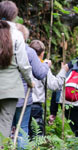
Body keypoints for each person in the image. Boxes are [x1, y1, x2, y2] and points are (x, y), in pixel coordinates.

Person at [12, 24, 50, 148]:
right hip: (23, 97)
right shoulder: (29, 51)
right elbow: (40, 73)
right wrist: (46, 65)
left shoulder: (4, 48)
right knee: (22, 129)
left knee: (5, 129)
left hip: (5, 95)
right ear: (25, 37)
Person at [0, 0, 33, 142]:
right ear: (14, 15)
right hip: (10, 87)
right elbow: (24, 65)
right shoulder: (18, 35)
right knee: (5, 123)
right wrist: (30, 82)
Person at [28, 40, 68, 139]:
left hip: (21, 104)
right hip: (35, 105)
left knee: (23, 134)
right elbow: (54, 85)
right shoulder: (42, 66)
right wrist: (63, 70)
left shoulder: (22, 62)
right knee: (37, 137)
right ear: (42, 53)